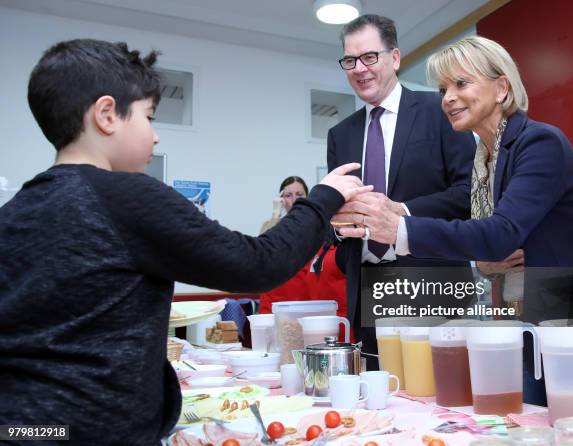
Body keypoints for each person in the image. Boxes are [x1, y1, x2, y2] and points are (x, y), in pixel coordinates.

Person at [0, 39, 370, 445]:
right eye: (148, 117)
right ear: (107, 114)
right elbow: (257, 264)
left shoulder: (14, 212)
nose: (155, 137)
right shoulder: (127, 196)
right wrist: (323, 199)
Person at [335, 35, 573, 404]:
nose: (447, 97)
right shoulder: (485, 160)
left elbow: (502, 232)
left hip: (569, 310)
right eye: (444, 87)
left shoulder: (540, 142)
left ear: (501, 88)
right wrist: (483, 263)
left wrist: (400, 227)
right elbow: (493, 244)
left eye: (461, 83)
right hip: (521, 309)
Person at [327, 14, 476, 358]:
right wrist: (335, 226)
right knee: (378, 396)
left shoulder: (440, 109)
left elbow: (469, 193)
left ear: (394, 58)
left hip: (432, 281)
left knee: (440, 401)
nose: (359, 68)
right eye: (350, 60)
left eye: (369, 57)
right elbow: (334, 214)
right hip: (367, 288)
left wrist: (401, 214)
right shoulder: (341, 134)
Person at [259, 177, 348, 328]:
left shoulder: (320, 227)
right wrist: (275, 213)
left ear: (307, 198)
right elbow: (262, 252)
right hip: (277, 306)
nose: (294, 199)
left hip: (309, 306)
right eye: (288, 195)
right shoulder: (273, 226)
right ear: (281, 200)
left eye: (299, 194)